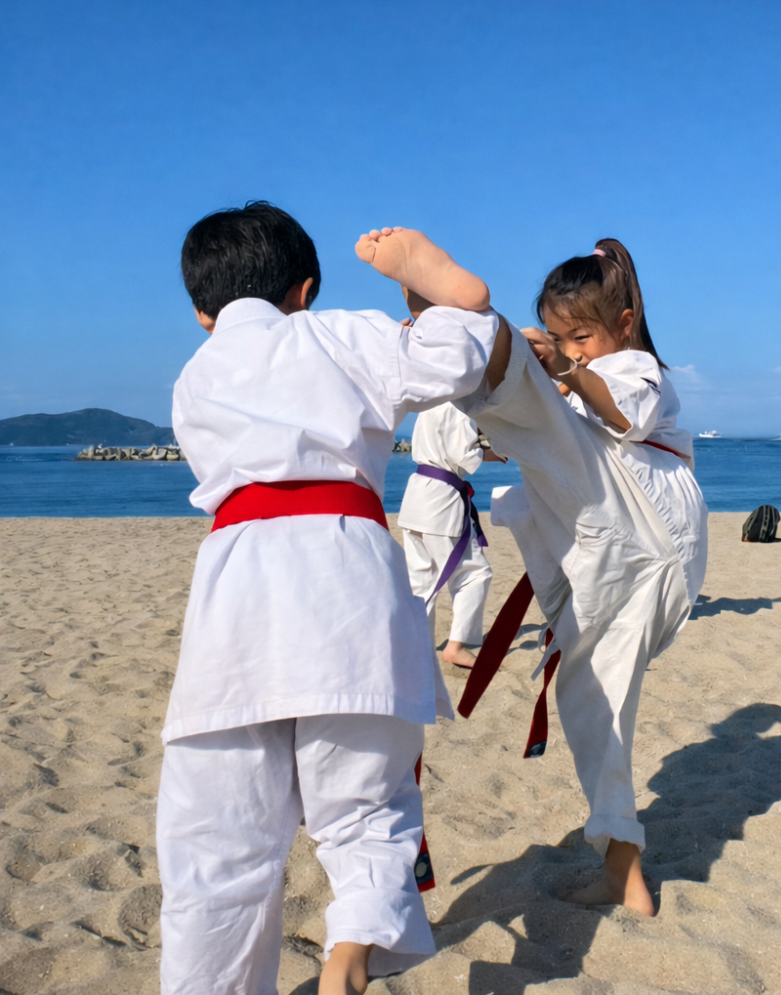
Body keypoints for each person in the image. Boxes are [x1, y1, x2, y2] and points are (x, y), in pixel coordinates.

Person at [157, 205, 502, 995]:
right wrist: (453, 301)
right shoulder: (343, 335)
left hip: (238, 589)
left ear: (203, 312)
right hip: (348, 576)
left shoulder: (196, 377)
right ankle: (349, 956)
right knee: (365, 810)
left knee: (217, 841)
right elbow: (460, 358)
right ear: (304, 290)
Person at [364, 233, 707, 918]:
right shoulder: (590, 375)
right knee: (592, 701)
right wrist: (552, 383)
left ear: (625, 324)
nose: (574, 349)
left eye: (582, 337)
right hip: (621, 557)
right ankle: (624, 870)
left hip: (647, 519)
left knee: (537, 406)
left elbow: (620, 413)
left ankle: (466, 323)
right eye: (562, 337)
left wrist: (564, 372)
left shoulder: (636, 368)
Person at [398, 392, 496, 670]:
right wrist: (498, 453)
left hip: (416, 495)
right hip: (440, 501)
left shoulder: (430, 404)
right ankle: (456, 647)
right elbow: (464, 456)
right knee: (474, 573)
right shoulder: (458, 406)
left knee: (422, 580)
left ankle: (420, 646)